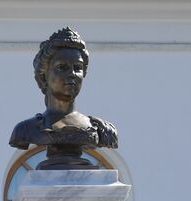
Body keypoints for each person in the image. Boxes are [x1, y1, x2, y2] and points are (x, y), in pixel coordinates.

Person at [9, 27, 117, 169]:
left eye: (77, 68)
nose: (72, 74)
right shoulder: (25, 130)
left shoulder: (102, 129)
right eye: (62, 67)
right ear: (43, 77)